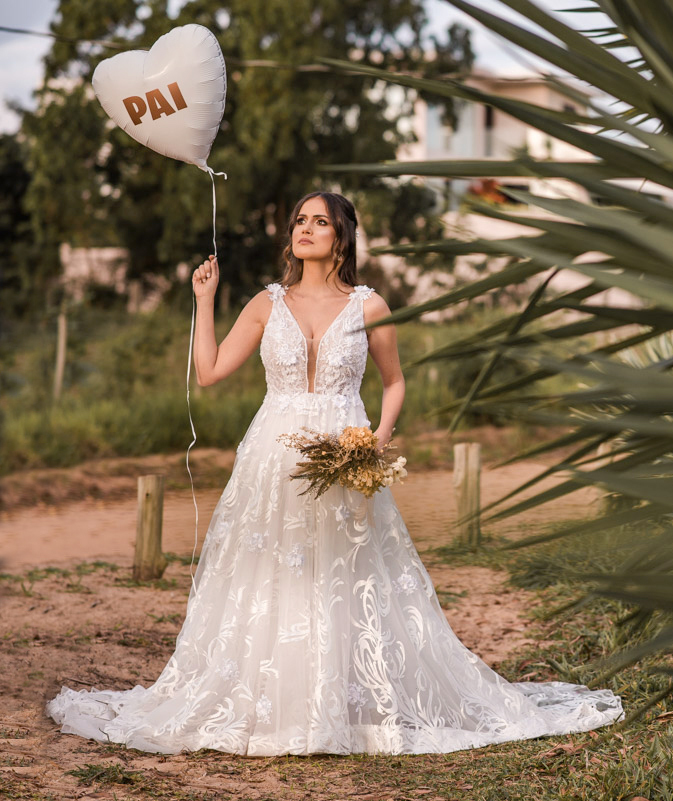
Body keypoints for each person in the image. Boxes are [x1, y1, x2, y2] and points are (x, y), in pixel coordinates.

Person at [46, 191, 623, 755]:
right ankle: (274, 700)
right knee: (275, 570)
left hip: (348, 453)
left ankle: (343, 699)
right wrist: (204, 299)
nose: (304, 229)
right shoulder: (267, 303)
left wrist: (375, 442)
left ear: (341, 238)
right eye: (300, 220)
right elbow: (211, 370)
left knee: (349, 574)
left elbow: (394, 382)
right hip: (275, 452)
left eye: (319, 222)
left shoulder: (370, 306)